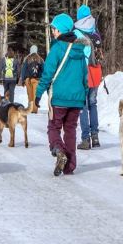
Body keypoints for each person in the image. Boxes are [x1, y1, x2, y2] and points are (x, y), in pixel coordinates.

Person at [35, 13, 89, 176]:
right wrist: (83, 95)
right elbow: (84, 76)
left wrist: (38, 95)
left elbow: (48, 73)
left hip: (59, 98)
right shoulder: (80, 50)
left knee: (54, 127)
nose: (53, 31)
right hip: (76, 99)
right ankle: (69, 167)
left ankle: (59, 150)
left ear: (61, 30)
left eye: (55, 28)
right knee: (71, 130)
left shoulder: (57, 48)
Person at [74, 4, 104, 150]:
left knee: (83, 105)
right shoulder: (95, 29)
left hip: (83, 72)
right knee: (93, 104)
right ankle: (95, 137)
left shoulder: (77, 32)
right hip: (96, 71)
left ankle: (85, 139)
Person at [18, 45, 44, 113]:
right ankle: (35, 109)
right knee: (35, 94)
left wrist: (23, 80)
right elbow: (43, 70)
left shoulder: (27, 59)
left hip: (28, 80)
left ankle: (30, 108)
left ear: (30, 50)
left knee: (30, 94)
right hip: (37, 80)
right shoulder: (40, 59)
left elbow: (23, 70)